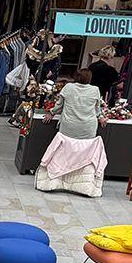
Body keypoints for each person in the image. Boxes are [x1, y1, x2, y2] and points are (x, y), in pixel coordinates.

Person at [35, 68, 108, 197]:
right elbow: (97, 110)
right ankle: (85, 186)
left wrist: (51, 113)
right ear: (89, 79)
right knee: (85, 156)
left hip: (68, 127)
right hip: (88, 129)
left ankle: (54, 181)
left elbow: (59, 106)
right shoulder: (95, 90)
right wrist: (101, 117)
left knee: (62, 154)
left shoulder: (68, 88)